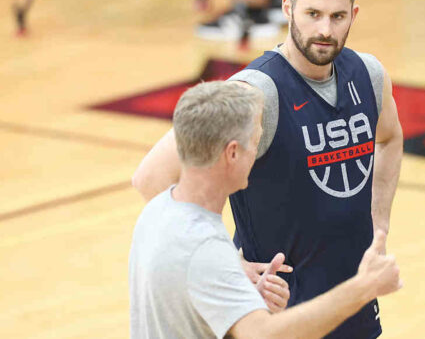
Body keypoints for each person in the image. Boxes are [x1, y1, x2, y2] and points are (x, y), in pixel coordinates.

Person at [132, 0, 403, 338]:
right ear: (288, 8)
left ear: (353, 16)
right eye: (313, 14)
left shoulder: (369, 75)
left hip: (352, 302)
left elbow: (390, 138)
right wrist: (229, 265)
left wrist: (380, 224)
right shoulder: (256, 91)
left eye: (337, 16)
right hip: (278, 313)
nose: (325, 29)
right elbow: (150, 178)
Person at [129, 81, 402, 339]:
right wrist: (363, 287)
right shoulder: (204, 246)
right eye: (256, 143)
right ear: (232, 153)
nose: (258, 154)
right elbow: (265, 335)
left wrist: (243, 303)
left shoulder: (159, 211)